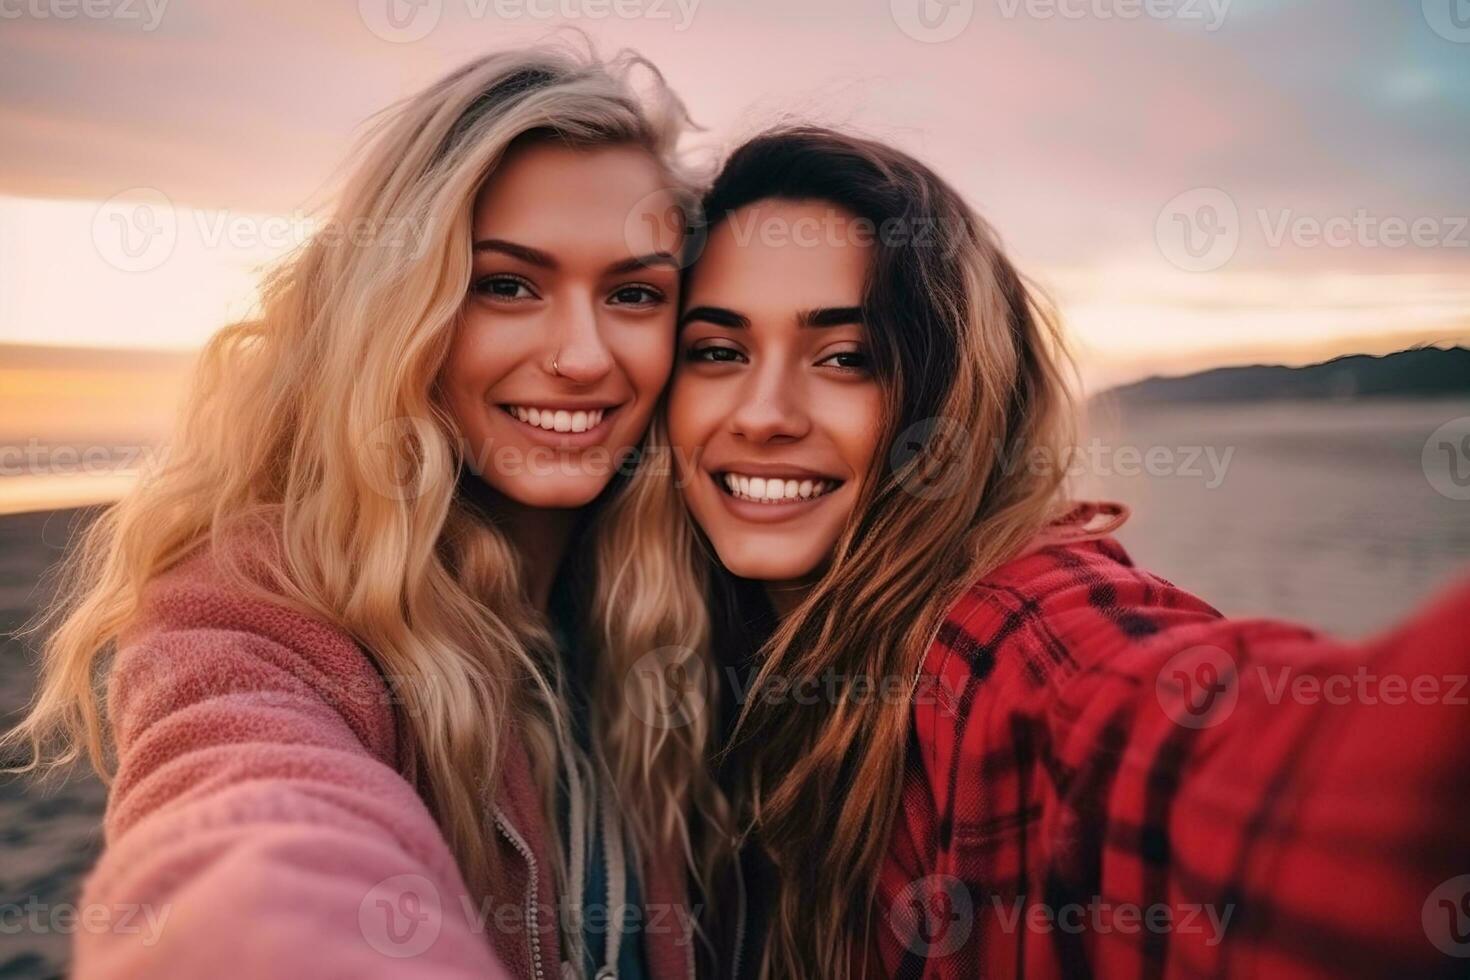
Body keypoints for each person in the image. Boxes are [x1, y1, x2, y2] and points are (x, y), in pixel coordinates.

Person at [651, 126, 1470, 977]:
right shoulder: (670, 657)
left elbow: (1215, 758)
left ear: (954, 399)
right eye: (718, 351)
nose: (764, 414)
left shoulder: (1003, 631)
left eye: (847, 358)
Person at [4, 44, 728, 980]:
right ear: (398, 307)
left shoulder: (702, 584)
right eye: (507, 285)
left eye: (634, 294)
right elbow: (254, 844)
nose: (583, 356)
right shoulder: (252, 608)